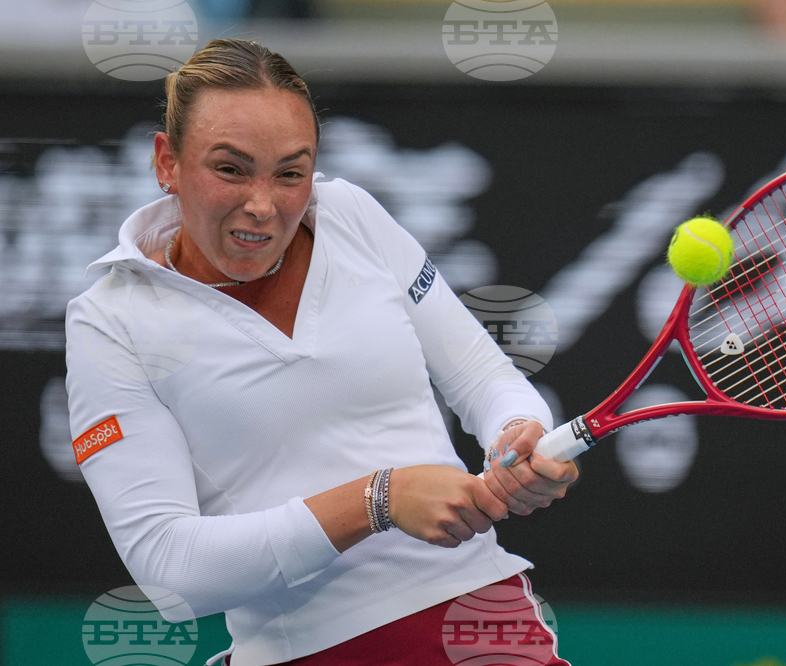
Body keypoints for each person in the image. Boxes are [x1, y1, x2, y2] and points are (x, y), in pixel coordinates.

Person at [65, 38, 578, 666]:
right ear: (166, 161)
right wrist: (378, 500)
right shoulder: (108, 320)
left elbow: (479, 375)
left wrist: (516, 435)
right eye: (230, 169)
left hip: (476, 621)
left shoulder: (352, 214)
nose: (263, 205)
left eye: (291, 172)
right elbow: (170, 573)